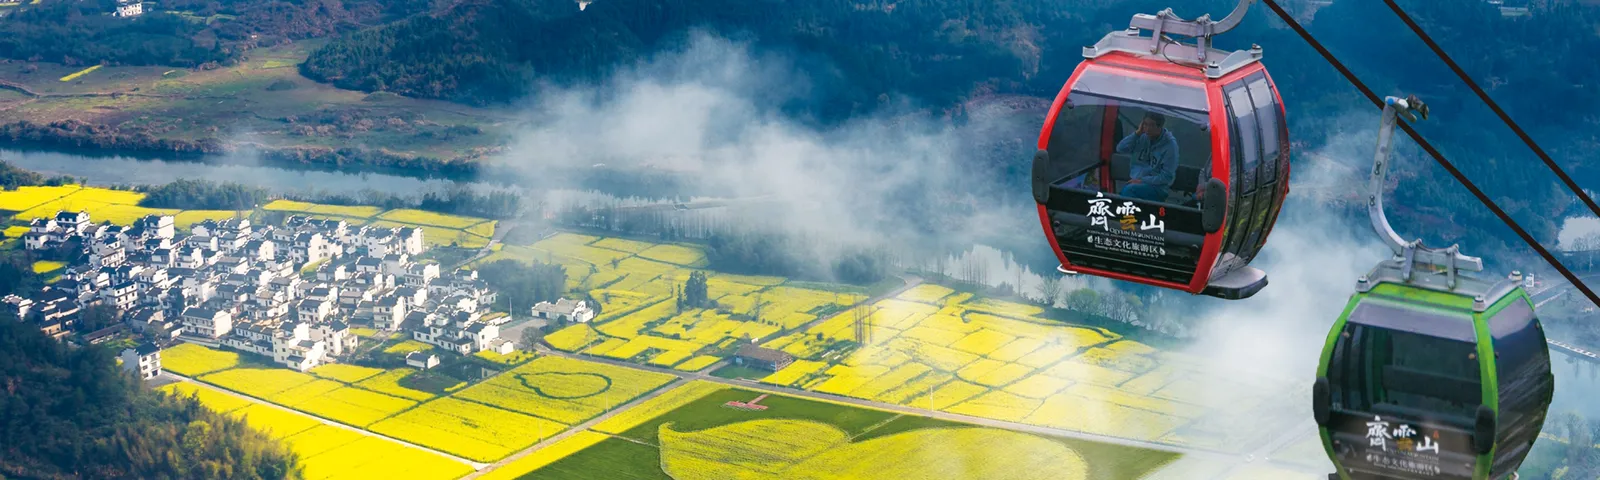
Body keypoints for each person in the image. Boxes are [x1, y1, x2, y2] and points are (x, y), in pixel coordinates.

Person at [1116, 112, 1179, 202]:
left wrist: (1142, 180)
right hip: (1135, 183)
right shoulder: (1141, 137)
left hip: (1157, 188)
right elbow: (1120, 149)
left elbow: (1166, 177)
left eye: (1152, 125)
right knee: (1125, 193)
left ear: (1160, 126)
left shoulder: (1170, 145)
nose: (1148, 129)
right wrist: (1137, 133)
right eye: (1145, 124)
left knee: (1129, 191)